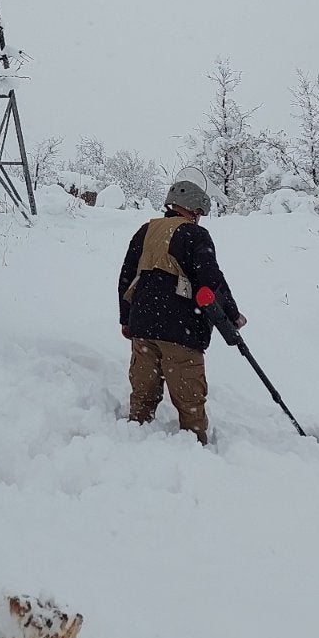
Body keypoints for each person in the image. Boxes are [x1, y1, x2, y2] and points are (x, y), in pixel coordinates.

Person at [118, 178, 246, 445]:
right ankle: (195, 446)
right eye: (199, 213)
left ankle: (133, 442)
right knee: (189, 399)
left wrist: (126, 319)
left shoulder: (145, 230)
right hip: (181, 330)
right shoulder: (196, 235)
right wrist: (233, 314)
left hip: (142, 328)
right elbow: (212, 281)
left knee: (143, 392)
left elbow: (126, 278)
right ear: (194, 210)